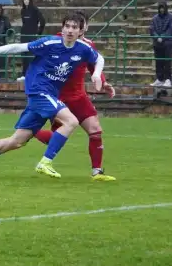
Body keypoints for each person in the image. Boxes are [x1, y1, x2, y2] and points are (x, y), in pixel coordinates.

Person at [0, 12, 104, 180]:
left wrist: (96, 74)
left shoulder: (83, 48)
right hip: (39, 91)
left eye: (74, 27)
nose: (70, 30)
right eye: (67, 26)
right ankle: (45, 162)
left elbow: (99, 58)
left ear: (81, 31)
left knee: (16, 141)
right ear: (62, 28)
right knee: (71, 121)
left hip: (48, 95)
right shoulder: (49, 42)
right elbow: (18, 47)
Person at [34, 11, 116, 182]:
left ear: (84, 27)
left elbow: (94, 67)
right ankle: (31, 132)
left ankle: (97, 172)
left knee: (95, 130)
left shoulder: (88, 45)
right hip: (59, 97)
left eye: (79, 25)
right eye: (69, 26)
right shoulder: (58, 40)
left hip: (79, 97)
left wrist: (103, 81)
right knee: (56, 138)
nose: (72, 29)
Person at [150, 0, 172, 87]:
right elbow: (152, 29)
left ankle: (168, 79)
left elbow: (171, 30)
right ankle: (159, 79)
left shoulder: (171, 17)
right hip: (157, 43)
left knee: (167, 61)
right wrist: (157, 37)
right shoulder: (154, 18)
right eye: (160, 8)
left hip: (167, 43)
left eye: (163, 8)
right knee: (159, 62)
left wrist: (163, 37)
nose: (161, 10)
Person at [18, 0, 43, 81]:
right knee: (23, 54)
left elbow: (42, 21)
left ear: (30, 0)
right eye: (24, 0)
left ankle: (31, 74)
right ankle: (24, 74)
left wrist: (38, 32)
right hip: (24, 34)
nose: (26, 1)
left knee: (30, 54)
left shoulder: (35, 9)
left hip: (32, 34)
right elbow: (24, 23)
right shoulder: (23, 10)